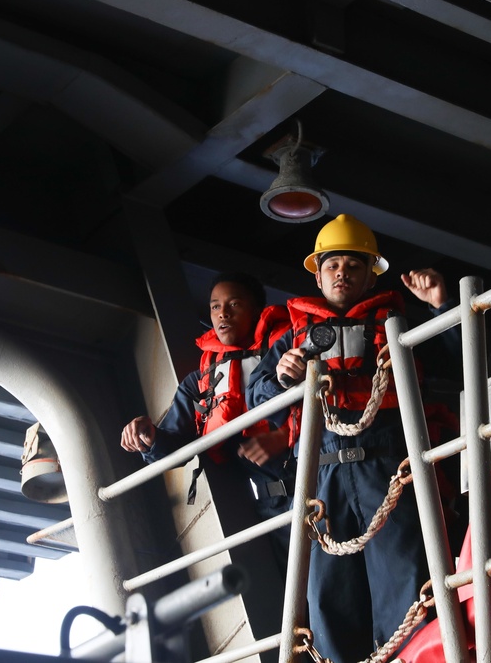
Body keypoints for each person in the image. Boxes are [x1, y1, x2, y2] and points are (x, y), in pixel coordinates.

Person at [246, 213, 460, 663]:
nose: (343, 272)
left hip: (389, 471)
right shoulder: (291, 338)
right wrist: (283, 379)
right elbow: (255, 396)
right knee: (326, 598)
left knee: (404, 582)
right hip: (320, 477)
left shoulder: (399, 326)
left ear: (370, 274)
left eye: (354, 265)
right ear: (318, 273)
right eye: (333, 265)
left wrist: (441, 307)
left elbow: (456, 361)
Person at [119, 271, 295, 560]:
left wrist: (284, 436)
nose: (223, 314)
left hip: (321, 477)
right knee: (302, 594)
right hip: (272, 506)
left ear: (256, 310)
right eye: (215, 306)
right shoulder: (201, 382)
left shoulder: (289, 350)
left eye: (234, 304)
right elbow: (172, 445)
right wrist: (149, 436)